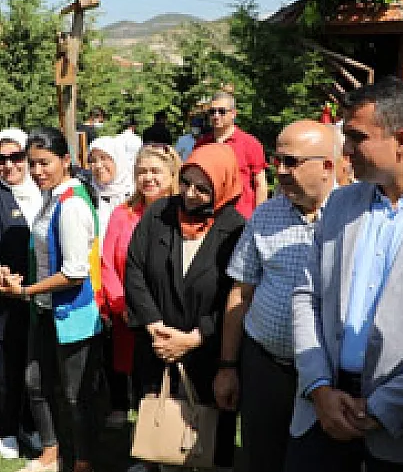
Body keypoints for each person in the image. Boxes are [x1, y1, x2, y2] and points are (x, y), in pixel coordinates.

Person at [287, 78, 403, 472]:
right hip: (323, 412)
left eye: (356, 137)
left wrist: (382, 408)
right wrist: (318, 387)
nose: (346, 150)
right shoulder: (339, 204)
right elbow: (307, 295)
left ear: (402, 140)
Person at [214, 120, 337, 472]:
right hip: (265, 366)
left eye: (290, 162)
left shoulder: (352, 217)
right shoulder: (267, 215)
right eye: (276, 160)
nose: (279, 171)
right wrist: (227, 366)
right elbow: (241, 291)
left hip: (326, 375)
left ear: (327, 166)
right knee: (260, 457)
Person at [125, 144, 245, 471]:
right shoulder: (159, 214)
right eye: (186, 183)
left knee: (205, 438)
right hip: (157, 345)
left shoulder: (237, 229)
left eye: (202, 188)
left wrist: (195, 338)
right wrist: (154, 326)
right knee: (160, 426)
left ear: (222, 186)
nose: (190, 194)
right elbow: (134, 269)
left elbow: (236, 295)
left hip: (207, 352)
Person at [0, 126, 102, 472]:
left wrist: (25, 291)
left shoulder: (70, 205)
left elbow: (74, 272)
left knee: (75, 395)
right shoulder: (52, 196)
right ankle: (52, 451)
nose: (37, 171)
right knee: (35, 382)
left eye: (45, 163)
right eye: (33, 163)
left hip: (72, 313)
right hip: (46, 310)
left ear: (66, 160)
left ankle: (82, 460)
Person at [99, 143, 181, 431]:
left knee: (170, 386)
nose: (148, 178)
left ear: (172, 175)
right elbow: (107, 261)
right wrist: (121, 304)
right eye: (142, 171)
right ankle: (146, 448)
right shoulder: (123, 213)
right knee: (140, 381)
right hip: (129, 315)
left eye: (155, 171)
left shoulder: (182, 214)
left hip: (170, 317)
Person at [0, 128, 42, 459]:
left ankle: (33, 425)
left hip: (44, 297)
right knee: (6, 373)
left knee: (38, 369)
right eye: (1, 160)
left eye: (16, 157)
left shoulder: (46, 190)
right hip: (6, 300)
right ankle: (5, 428)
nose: (9, 166)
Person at [196, 91, 268, 219]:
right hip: (209, 216)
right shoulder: (201, 145)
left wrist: (259, 218)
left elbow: (260, 184)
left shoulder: (250, 143)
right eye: (212, 112)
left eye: (222, 111)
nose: (216, 116)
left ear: (233, 114)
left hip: (241, 217)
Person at [88, 135, 135, 238]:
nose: (98, 165)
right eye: (93, 160)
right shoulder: (88, 194)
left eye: (104, 158)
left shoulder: (135, 194)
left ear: (118, 159)